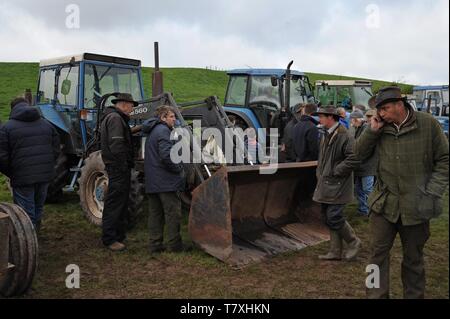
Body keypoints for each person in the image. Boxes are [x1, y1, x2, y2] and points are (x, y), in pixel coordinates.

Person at [354, 86, 449, 299]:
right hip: (383, 204)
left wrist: (432, 192)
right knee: (376, 257)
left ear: (400, 104)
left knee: (414, 259)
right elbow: (357, 155)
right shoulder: (379, 126)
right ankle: (375, 296)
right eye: (379, 110)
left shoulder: (428, 124)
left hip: (417, 205)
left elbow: (445, 159)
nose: (381, 114)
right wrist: (371, 131)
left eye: (385, 108)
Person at [0, 97, 60, 229]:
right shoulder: (47, 124)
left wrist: (11, 172)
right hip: (44, 175)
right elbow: (56, 149)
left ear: (13, 109)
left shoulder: (6, 128)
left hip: (22, 177)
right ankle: (36, 232)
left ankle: (28, 241)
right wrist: (48, 166)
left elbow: (2, 156)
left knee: (25, 212)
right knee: (38, 206)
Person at [312, 106, 361, 261]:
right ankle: (335, 251)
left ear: (331, 117)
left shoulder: (344, 135)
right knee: (327, 216)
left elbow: (353, 158)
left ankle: (354, 242)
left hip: (338, 184)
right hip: (327, 182)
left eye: (321, 116)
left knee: (334, 216)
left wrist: (336, 171)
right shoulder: (327, 134)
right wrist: (320, 173)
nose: (319, 119)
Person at [143, 105, 186, 254]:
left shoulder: (153, 131)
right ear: (163, 118)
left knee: (155, 214)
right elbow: (167, 156)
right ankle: (175, 245)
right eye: (172, 117)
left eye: (174, 116)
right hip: (166, 181)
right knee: (173, 213)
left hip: (153, 181)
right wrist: (179, 169)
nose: (174, 119)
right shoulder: (164, 131)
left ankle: (155, 244)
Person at [100, 93, 137, 252]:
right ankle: (109, 238)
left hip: (117, 166)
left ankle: (118, 234)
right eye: (131, 105)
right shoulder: (115, 119)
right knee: (115, 203)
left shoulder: (115, 118)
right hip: (117, 167)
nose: (133, 108)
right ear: (123, 104)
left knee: (120, 202)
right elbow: (117, 146)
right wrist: (123, 165)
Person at [349, 110, 377, 217]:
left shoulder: (365, 129)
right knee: (359, 189)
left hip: (367, 165)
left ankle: (372, 211)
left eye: (352, 120)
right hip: (360, 166)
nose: (351, 122)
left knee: (368, 190)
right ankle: (363, 209)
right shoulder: (358, 128)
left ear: (356, 119)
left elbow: (366, 148)